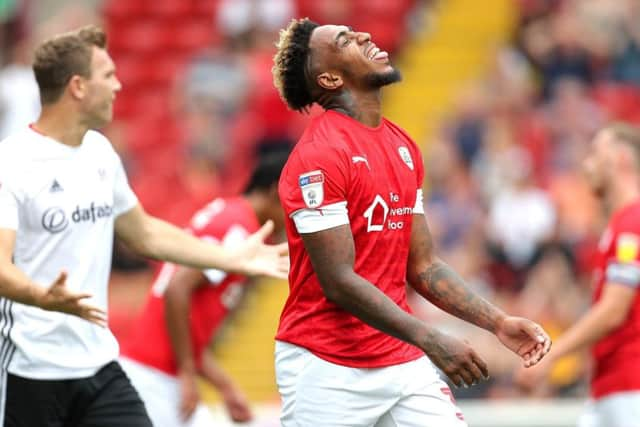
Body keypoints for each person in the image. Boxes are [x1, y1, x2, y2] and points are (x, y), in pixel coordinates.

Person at [0, 25, 287, 427]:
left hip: (99, 363)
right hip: (31, 368)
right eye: (108, 75)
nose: (119, 86)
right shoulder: (12, 162)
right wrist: (40, 296)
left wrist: (229, 257)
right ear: (78, 87)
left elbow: (145, 233)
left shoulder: (100, 153)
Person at [271, 18, 552, 427]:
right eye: (346, 40)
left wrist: (498, 322)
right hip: (327, 365)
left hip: (398, 356)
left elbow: (423, 265)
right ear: (330, 78)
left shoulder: (401, 145)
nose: (365, 35)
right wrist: (431, 337)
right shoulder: (318, 156)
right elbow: (338, 280)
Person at [118, 149, 289, 427]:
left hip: (153, 372)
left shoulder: (229, 213)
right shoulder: (238, 227)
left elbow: (189, 321)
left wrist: (225, 386)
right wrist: (186, 372)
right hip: (156, 378)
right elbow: (177, 288)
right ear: (275, 191)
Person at [517, 123, 640, 426]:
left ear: (621, 159)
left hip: (630, 385)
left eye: (596, 153)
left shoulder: (632, 224)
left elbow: (613, 311)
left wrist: (552, 357)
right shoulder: (619, 225)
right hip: (611, 385)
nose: (587, 165)